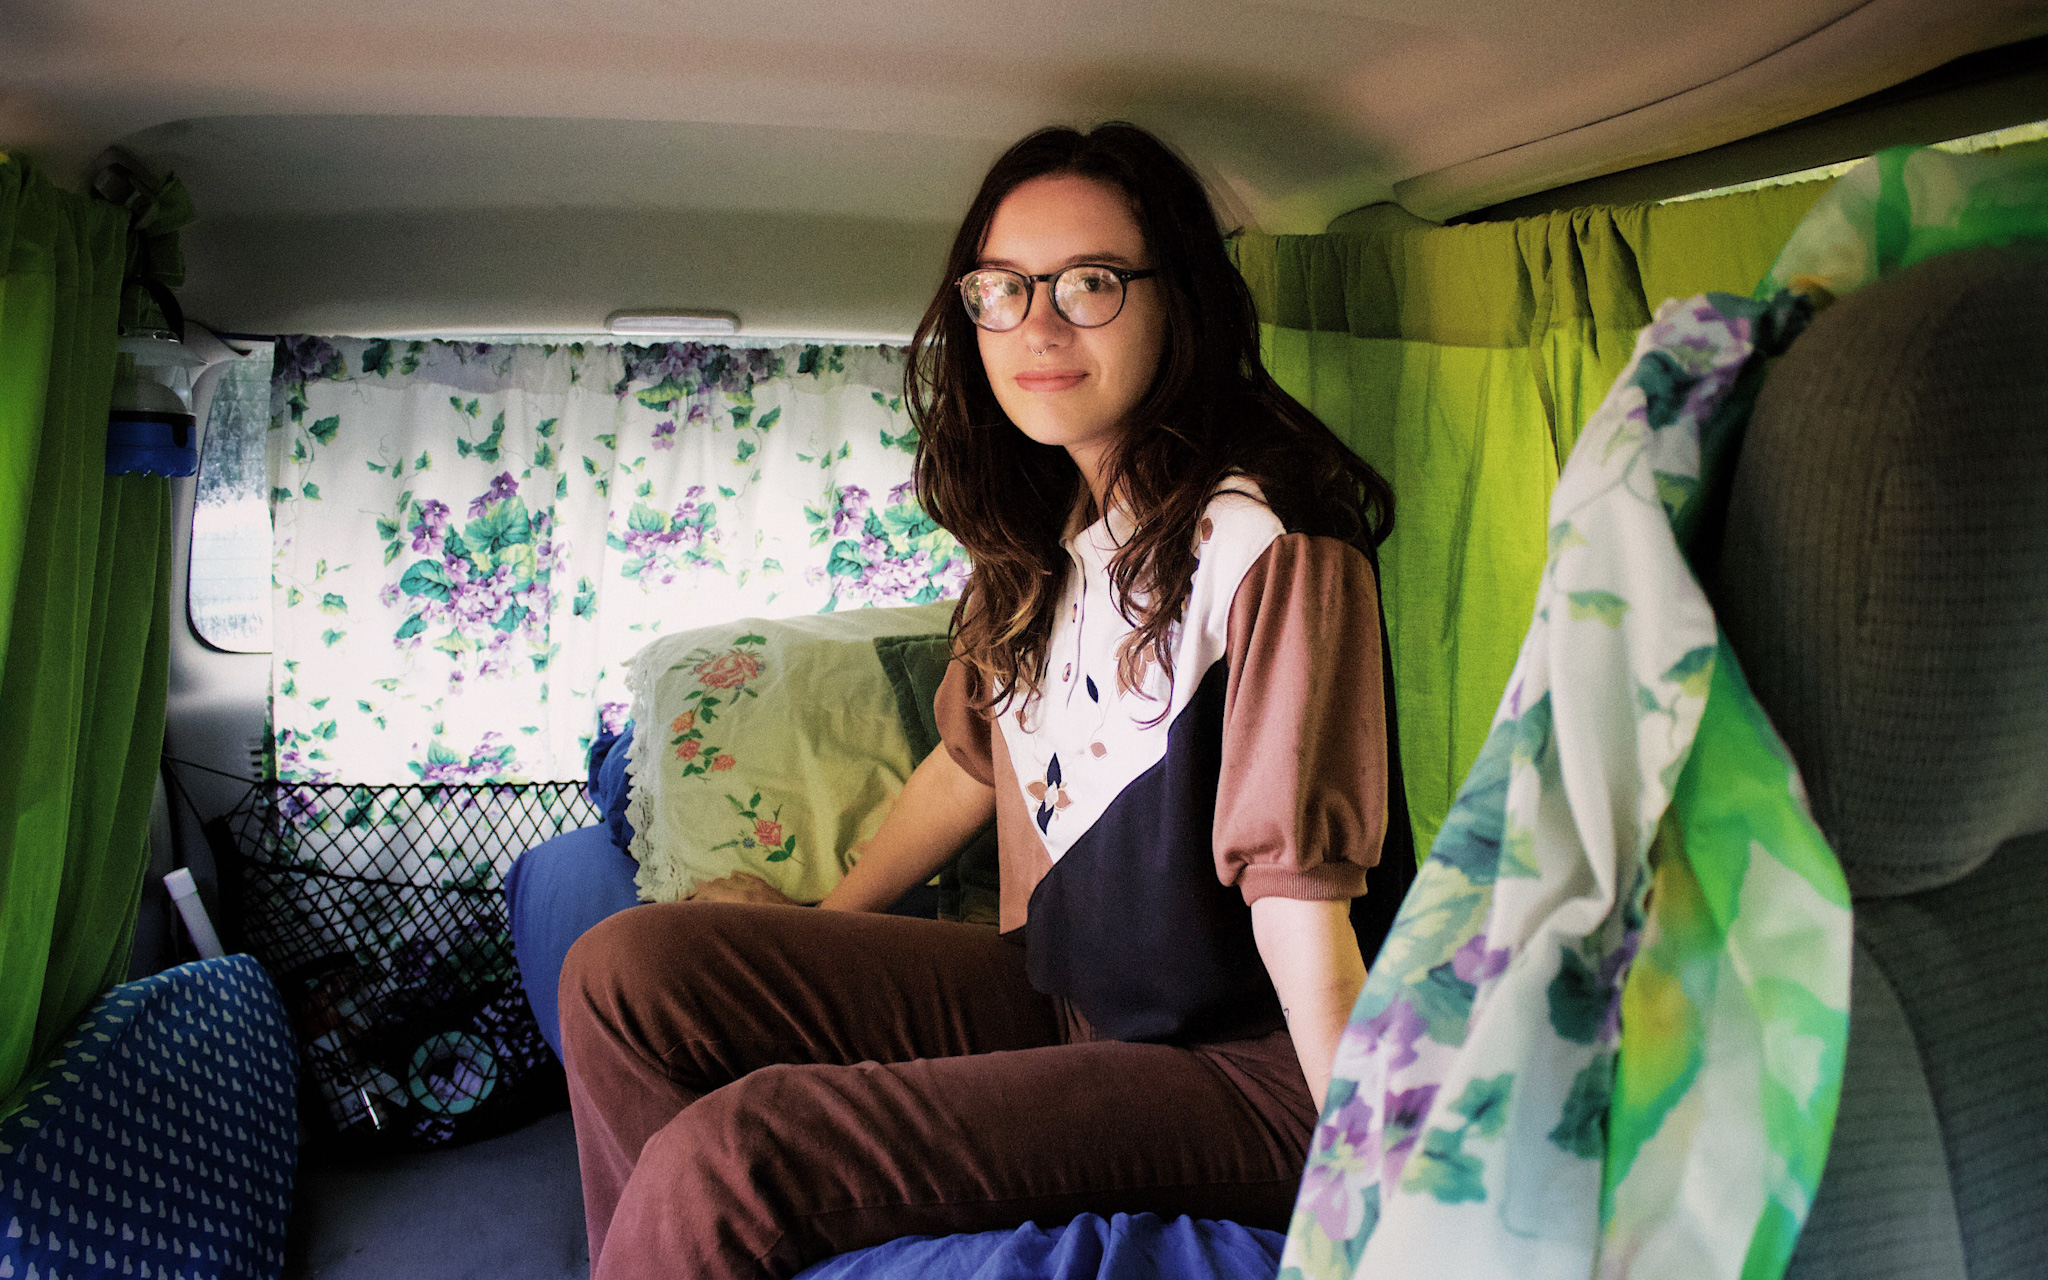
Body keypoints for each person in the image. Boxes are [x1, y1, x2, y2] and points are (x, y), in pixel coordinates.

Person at [558, 122, 1415, 1280]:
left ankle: (692, 1223)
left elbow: (1298, 909)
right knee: (626, 971)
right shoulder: (1039, 541)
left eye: (1089, 283)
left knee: (736, 1154)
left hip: (1248, 1065)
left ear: (1180, 301)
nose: (1037, 326)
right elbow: (967, 766)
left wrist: (1377, 1195)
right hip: (1064, 994)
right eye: (1001, 289)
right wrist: (820, 934)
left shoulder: (1266, 541)